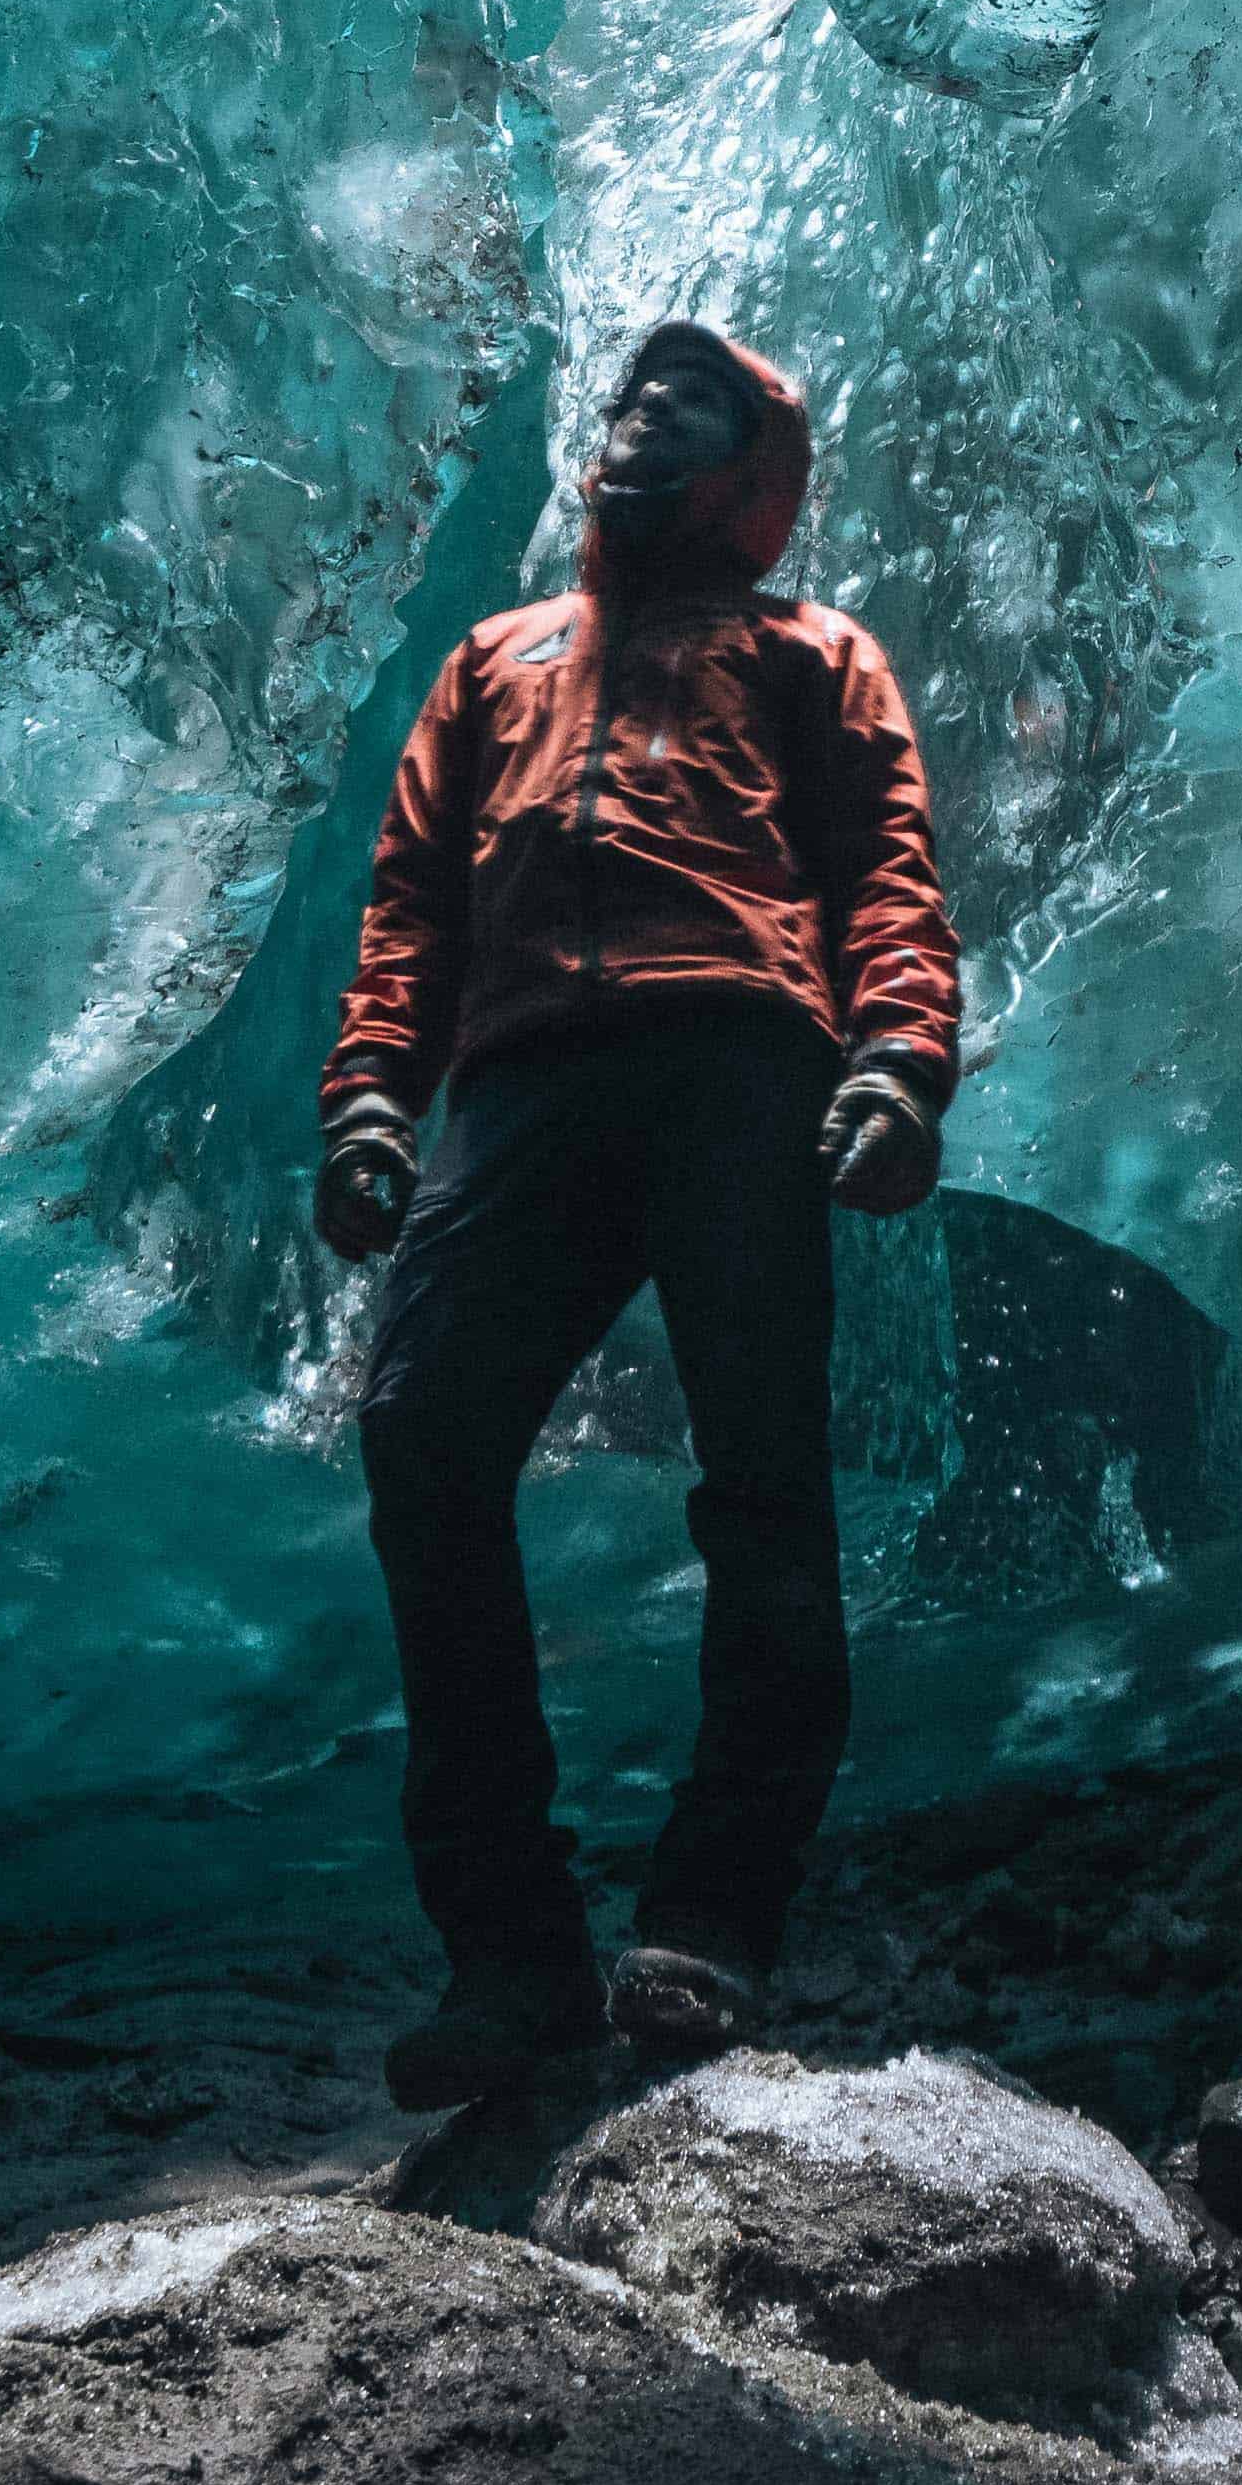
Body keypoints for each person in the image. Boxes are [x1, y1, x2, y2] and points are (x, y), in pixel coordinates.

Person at [313, 319, 956, 2106]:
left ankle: (709, 1924)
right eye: (632, 397)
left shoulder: (815, 655)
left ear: (756, 474)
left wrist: (899, 1059)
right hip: (521, 1086)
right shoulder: (493, 662)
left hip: (742, 1065)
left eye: (690, 408)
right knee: (423, 1439)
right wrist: (371, 1094)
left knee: (764, 1483)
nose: (637, 422)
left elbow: (888, 877)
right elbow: (412, 907)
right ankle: (512, 1960)